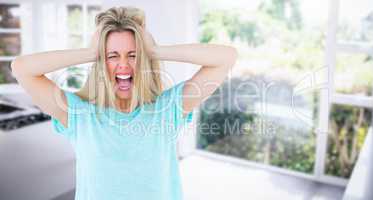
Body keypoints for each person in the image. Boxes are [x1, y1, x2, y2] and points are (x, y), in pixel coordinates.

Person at [11, 6, 237, 200]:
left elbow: (225, 58)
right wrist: (92, 51)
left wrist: (154, 50)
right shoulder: (79, 113)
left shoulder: (168, 109)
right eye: (112, 56)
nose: (124, 65)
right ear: (100, 62)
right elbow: (21, 68)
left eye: (133, 54)